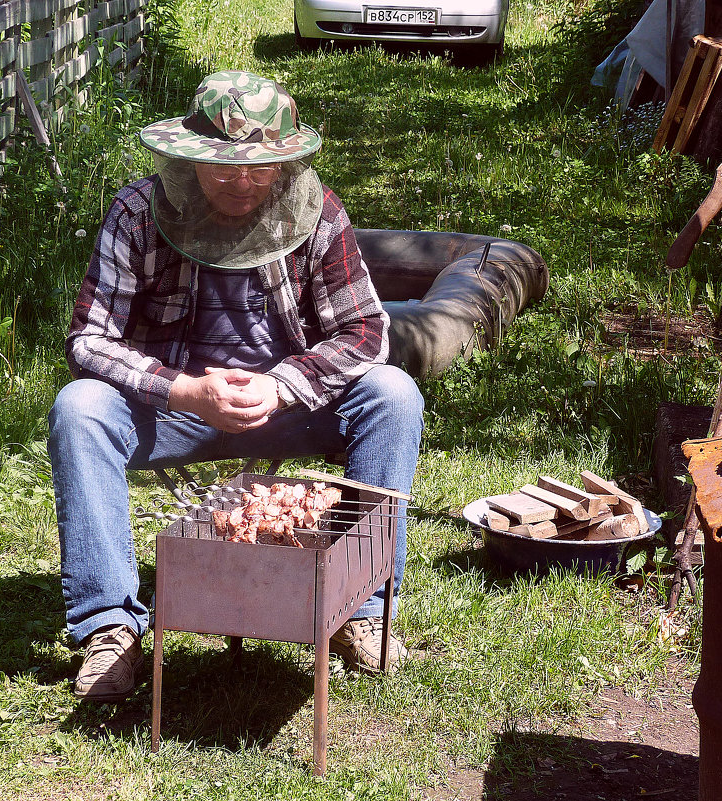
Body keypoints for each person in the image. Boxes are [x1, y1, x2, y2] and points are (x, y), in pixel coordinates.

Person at [48, 71, 424, 702]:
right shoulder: (139, 212)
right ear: (188, 159)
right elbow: (87, 339)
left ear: (284, 164)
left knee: (394, 394)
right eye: (222, 166)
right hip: (173, 408)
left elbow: (366, 331)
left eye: (259, 167)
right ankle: (107, 629)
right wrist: (183, 390)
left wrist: (281, 386)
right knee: (79, 407)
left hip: (287, 402)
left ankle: (364, 609)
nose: (240, 181)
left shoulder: (319, 211)